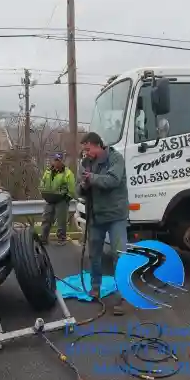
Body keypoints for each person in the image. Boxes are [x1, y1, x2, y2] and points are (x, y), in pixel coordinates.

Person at [77, 132, 129, 316]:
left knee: (119, 254)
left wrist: (91, 178)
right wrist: (83, 185)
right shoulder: (85, 163)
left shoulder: (115, 158)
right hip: (96, 216)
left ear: (98, 145)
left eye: (88, 149)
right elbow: (79, 189)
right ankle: (95, 287)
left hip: (116, 215)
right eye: (84, 150)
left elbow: (112, 181)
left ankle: (123, 296)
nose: (86, 153)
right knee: (94, 254)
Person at [39, 153, 76, 245]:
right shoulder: (48, 172)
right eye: (55, 160)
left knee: (61, 220)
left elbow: (72, 188)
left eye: (58, 160)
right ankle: (43, 238)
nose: (56, 162)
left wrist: (67, 198)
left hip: (61, 199)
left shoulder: (68, 173)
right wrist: (43, 192)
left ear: (62, 161)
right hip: (50, 199)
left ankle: (61, 238)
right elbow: (42, 183)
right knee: (46, 218)